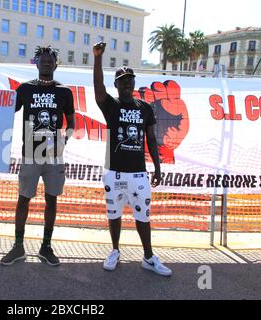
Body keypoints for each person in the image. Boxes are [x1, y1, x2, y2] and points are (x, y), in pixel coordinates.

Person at [93, 42, 172, 276]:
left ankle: (148, 257)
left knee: (142, 215)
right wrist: (98, 58)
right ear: (116, 85)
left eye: (130, 80)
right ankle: (115, 250)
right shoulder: (110, 105)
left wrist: (157, 168)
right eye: (123, 80)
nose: (127, 83)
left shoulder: (145, 108)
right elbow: (98, 87)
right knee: (114, 214)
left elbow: (151, 140)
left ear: (134, 84)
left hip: (138, 174)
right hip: (113, 172)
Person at [0, 46, 75, 266]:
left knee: (51, 199)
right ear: (36, 63)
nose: (46, 64)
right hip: (31, 153)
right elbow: (2, 108)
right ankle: (18, 246)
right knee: (23, 198)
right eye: (43, 61)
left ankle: (46, 246)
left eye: (50, 61)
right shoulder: (25, 89)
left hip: (54, 155)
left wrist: (65, 139)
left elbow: (71, 123)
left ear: (56, 65)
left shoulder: (64, 92)